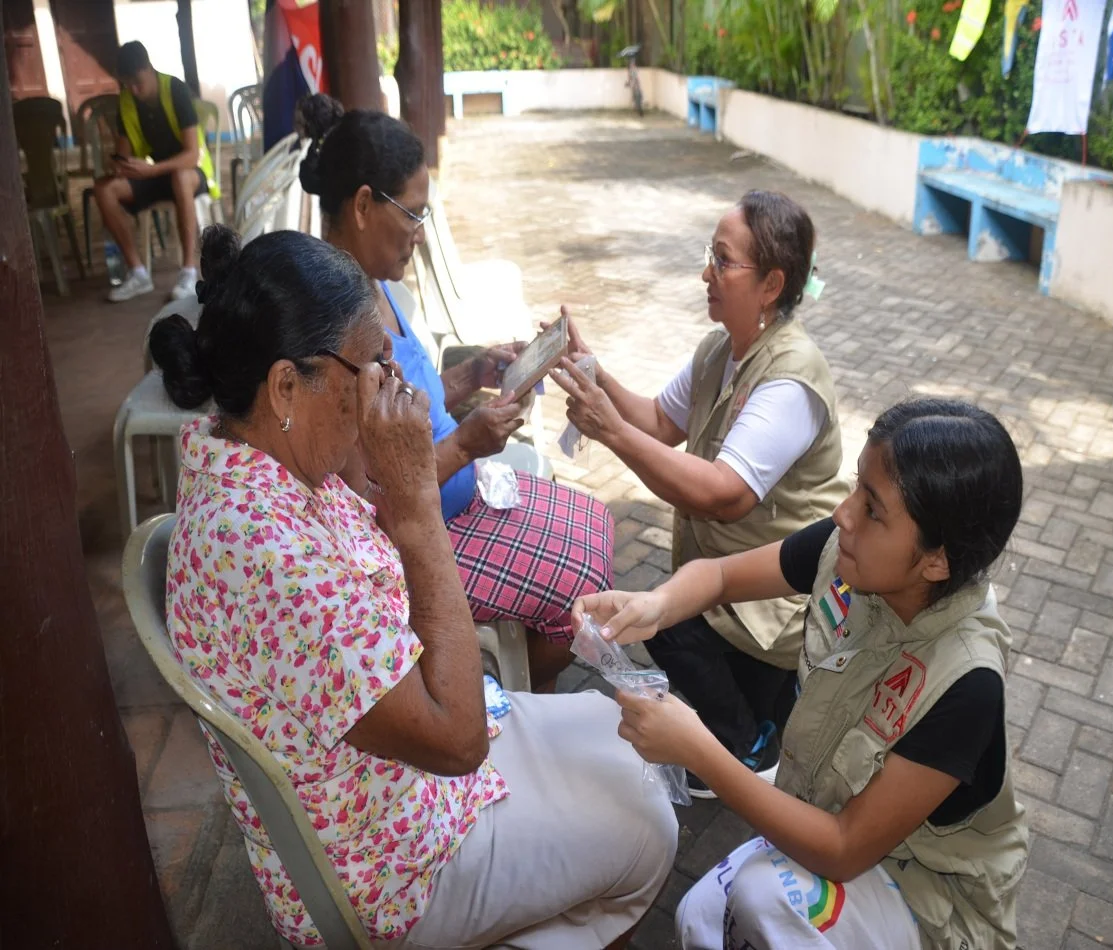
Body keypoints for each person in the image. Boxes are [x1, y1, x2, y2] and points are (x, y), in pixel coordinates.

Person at [148, 225, 677, 949]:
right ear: (284, 387)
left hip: (402, 786)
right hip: (393, 864)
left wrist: (394, 472)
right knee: (650, 824)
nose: (388, 388)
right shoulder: (264, 550)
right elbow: (458, 742)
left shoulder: (270, 463)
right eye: (371, 369)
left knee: (625, 738)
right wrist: (417, 503)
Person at [575, 398, 1029, 950]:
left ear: (937, 560)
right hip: (828, 808)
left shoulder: (967, 683)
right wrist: (656, 605)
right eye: (858, 487)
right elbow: (719, 575)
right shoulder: (851, 551)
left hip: (925, 892)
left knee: (762, 896)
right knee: (698, 919)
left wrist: (699, 751)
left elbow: (844, 848)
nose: (844, 514)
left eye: (873, 508)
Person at [295, 94, 613, 691]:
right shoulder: (336, 324)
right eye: (413, 215)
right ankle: (508, 699)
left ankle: (517, 689)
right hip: (411, 543)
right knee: (581, 591)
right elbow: (369, 496)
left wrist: (474, 375)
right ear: (364, 205)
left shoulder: (370, 285)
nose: (420, 233)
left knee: (592, 523)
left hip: (450, 506)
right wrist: (468, 444)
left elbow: (400, 408)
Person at [550, 191, 850, 795]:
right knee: (664, 614)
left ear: (771, 284)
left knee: (661, 619)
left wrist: (608, 428)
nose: (705, 273)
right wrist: (596, 371)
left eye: (722, 260)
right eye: (709, 255)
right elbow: (660, 421)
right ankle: (745, 711)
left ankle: (746, 744)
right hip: (729, 572)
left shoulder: (790, 376)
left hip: (777, 589)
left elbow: (722, 495)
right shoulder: (722, 349)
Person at [95, 41, 218, 303]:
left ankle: (188, 271)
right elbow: (124, 151)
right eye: (128, 84)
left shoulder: (175, 89)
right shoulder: (127, 100)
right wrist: (120, 165)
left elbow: (192, 154)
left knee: (180, 177)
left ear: (149, 69)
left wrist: (152, 170)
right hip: (152, 174)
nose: (135, 90)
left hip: (191, 173)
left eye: (138, 81)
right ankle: (137, 272)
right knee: (105, 189)